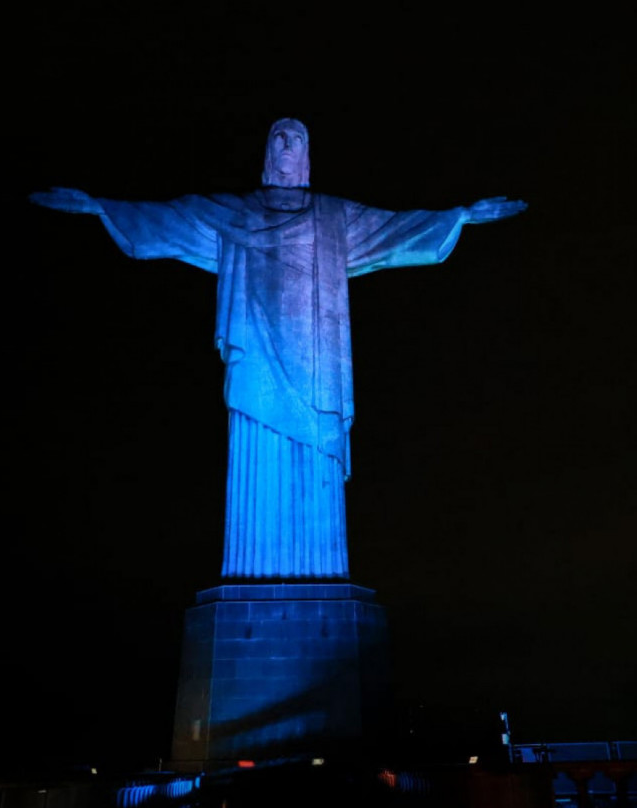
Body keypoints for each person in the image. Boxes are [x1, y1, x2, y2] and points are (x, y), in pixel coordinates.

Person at [30, 117, 527, 580]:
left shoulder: (335, 218)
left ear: (307, 156)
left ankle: (318, 575)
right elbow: (172, 219)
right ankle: (252, 571)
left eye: (296, 138)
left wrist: (459, 216)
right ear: (267, 154)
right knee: (255, 460)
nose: (286, 144)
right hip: (258, 366)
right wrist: (101, 207)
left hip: (316, 366)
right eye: (278, 137)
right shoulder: (235, 215)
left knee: (316, 465)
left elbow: (395, 229)